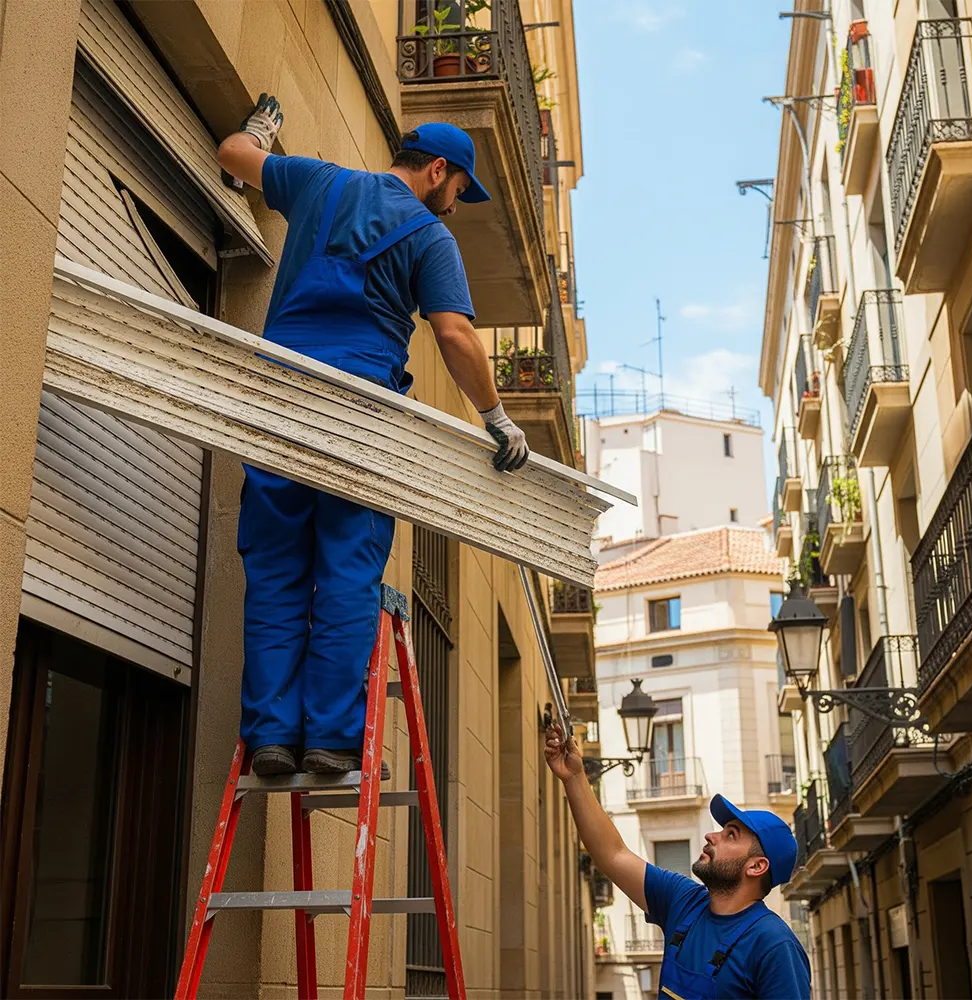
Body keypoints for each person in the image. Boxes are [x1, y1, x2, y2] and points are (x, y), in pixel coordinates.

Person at [217, 94, 530, 777]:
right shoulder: (428, 237)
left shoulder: (317, 181)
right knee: (347, 568)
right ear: (437, 170)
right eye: (457, 190)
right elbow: (453, 334)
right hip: (358, 409)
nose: (454, 203)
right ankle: (330, 741)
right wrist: (496, 417)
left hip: (281, 392)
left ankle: (270, 738)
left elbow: (233, 157)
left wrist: (262, 131)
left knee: (274, 566)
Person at [545, 725, 811, 999]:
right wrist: (574, 777)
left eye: (730, 835)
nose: (711, 835)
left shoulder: (774, 945)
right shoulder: (684, 902)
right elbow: (613, 854)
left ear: (756, 866)